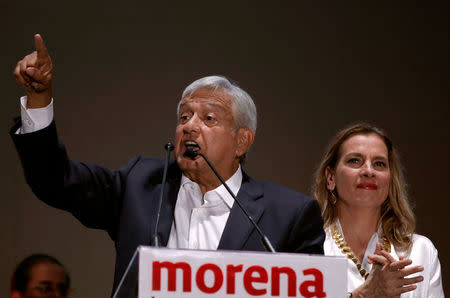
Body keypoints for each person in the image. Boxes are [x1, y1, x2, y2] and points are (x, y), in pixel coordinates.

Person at [11, 34, 325, 292]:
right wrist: (39, 99)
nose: (189, 126)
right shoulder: (139, 185)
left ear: (242, 140)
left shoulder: (288, 216)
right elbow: (54, 180)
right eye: (184, 116)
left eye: (209, 118)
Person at [312, 123, 444, 297]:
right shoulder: (311, 250)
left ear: (390, 180)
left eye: (379, 164)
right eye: (355, 161)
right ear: (330, 177)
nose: (368, 171)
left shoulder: (421, 251)